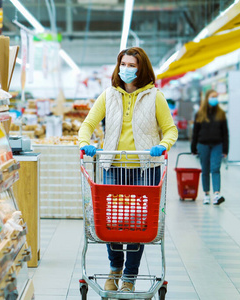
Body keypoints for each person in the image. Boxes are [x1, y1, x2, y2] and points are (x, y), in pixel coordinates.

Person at [78, 47, 178, 292]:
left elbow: (171, 130)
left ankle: (130, 277)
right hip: (113, 167)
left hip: (146, 169)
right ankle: (114, 270)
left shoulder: (156, 97)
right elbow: (88, 123)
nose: (126, 69)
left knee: (138, 225)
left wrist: (162, 146)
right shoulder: (108, 95)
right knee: (111, 222)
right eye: (123, 64)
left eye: (132, 65)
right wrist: (84, 143)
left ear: (141, 68)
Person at [191, 89, 229, 205]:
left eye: (216, 97)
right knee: (205, 170)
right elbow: (195, 132)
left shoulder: (221, 114)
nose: (215, 99)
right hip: (203, 144)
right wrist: (193, 147)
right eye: (212, 97)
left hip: (217, 145)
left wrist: (225, 149)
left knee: (215, 168)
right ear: (207, 98)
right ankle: (206, 194)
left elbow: (225, 133)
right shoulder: (200, 114)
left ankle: (217, 194)